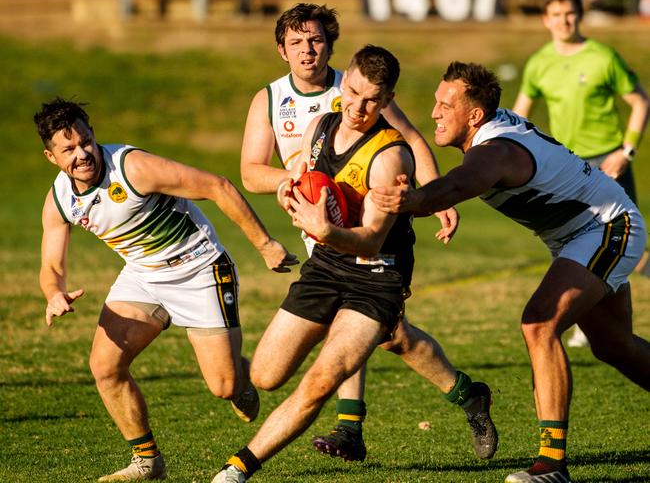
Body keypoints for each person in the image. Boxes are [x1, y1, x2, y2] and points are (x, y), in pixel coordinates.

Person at [213, 45, 492, 483]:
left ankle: (238, 468)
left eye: (372, 101)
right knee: (265, 376)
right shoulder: (319, 128)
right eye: (355, 94)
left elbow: (371, 239)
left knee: (323, 378)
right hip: (326, 267)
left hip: (376, 276)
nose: (359, 108)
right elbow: (304, 179)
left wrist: (325, 230)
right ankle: (469, 394)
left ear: (387, 101)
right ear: (344, 84)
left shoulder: (389, 158)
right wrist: (293, 193)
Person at [371, 61, 650, 483]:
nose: (435, 113)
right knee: (614, 346)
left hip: (608, 226)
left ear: (475, 116)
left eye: (446, 105)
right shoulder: (490, 134)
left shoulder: (496, 149)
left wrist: (412, 201)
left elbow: (459, 184)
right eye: (435, 102)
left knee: (539, 325)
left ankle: (552, 465)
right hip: (583, 232)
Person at [35, 98, 298, 482]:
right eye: (69, 149)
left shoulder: (131, 167)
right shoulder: (60, 199)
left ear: (94, 136)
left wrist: (265, 244)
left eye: (86, 142)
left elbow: (216, 186)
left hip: (200, 269)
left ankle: (237, 374)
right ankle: (147, 462)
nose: (82, 154)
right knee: (104, 367)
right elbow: (51, 266)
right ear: (50, 156)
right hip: (143, 277)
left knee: (223, 386)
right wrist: (53, 294)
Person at [512, 0, 650, 347]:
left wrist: (626, 151)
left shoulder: (603, 57)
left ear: (580, 15)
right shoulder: (539, 63)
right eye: (556, 14)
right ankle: (586, 324)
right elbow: (519, 117)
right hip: (567, 168)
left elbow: (639, 102)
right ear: (546, 19)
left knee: (623, 248)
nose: (564, 20)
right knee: (572, 244)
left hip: (609, 162)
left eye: (570, 13)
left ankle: (608, 328)